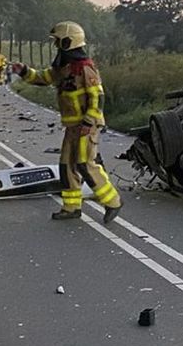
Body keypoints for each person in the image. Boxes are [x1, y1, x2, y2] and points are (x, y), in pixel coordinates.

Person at [12, 21, 123, 223]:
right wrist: (24, 71)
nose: (56, 45)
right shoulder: (63, 67)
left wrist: (89, 122)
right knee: (66, 166)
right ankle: (72, 207)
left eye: (58, 41)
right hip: (72, 126)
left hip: (86, 126)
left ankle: (113, 202)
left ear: (68, 42)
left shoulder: (85, 68)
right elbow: (43, 77)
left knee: (84, 164)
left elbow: (97, 97)